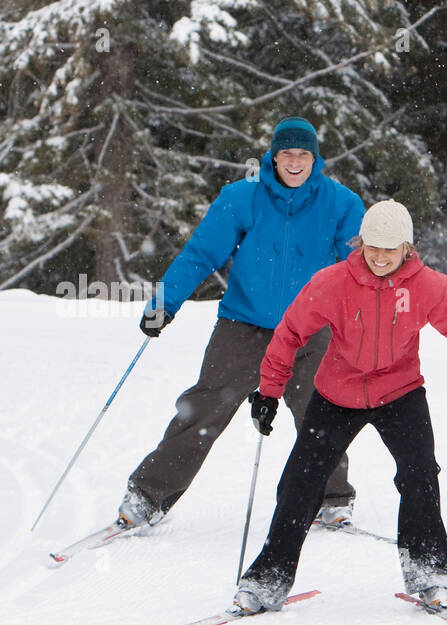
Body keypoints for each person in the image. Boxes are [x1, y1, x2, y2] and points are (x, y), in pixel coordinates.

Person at [232, 199, 447, 614]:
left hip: (400, 392)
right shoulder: (333, 282)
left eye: (389, 249)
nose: (379, 257)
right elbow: (289, 332)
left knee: (420, 475)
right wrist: (269, 391)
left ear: (407, 248)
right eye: (372, 247)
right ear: (361, 243)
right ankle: (267, 580)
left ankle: (430, 574)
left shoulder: (429, 287)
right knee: (300, 483)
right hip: (337, 394)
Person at [114, 116, 364, 531]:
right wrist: (165, 301)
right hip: (244, 326)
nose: (296, 161)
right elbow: (201, 253)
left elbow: (358, 268)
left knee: (321, 411)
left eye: (304, 154)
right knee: (205, 406)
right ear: (274, 156)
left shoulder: (341, 204)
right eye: (288, 153)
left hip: (310, 329)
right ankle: (147, 495)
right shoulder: (241, 198)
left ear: (315, 159)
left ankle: (333, 497)